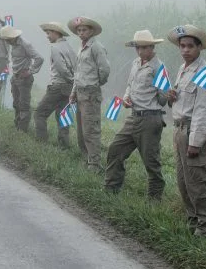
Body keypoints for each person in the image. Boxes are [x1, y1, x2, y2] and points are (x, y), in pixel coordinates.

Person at [169, 24, 206, 237]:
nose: (185, 50)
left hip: (192, 131)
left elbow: (205, 109)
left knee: (198, 182)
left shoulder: (204, 72)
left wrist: (196, 142)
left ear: (199, 47)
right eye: (182, 46)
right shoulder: (183, 70)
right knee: (184, 182)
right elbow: (182, 101)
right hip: (179, 129)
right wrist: (171, 98)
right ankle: (193, 222)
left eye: (190, 46)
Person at [103, 30, 170, 198]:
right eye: (138, 48)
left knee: (151, 162)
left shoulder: (158, 68)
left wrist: (167, 96)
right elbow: (130, 85)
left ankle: (154, 201)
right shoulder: (135, 63)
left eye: (145, 48)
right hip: (133, 116)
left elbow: (163, 98)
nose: (141, 52)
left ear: (152, 47)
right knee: (115, 150)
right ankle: (111, 190)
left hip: (150, 119)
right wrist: (127, 98)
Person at [69, 16, 112, 172]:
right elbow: (78, 72)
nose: (81, 33)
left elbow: (105, 69)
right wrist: (73, 92)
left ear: (92, 31)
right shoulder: (82, 47)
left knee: (90, 130)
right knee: (81, 129)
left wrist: (95, 83)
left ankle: (95, 164)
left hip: (90, 92)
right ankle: (86, 158)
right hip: (80, 91)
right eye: (79, 30)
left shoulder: (96, 47)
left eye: (84, 30)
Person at [33, 22, 76, 147]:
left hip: (57, 86)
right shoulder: (69, 47)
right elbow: (75, 66)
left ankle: (41, 143)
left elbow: (61, 68)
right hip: (68, 88)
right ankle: (64, 144)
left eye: (49, 33)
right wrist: (73, 82)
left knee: (39, 113)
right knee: (62, 114)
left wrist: (70, 79)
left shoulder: (55, 48)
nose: (47, 36)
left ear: (56, 33)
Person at [1, 24, 42, 131]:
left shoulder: (25, 44)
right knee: (16, 104)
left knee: (24, 105)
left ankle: (22, 130)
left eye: (7, 39)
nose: (6, 41)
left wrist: (30, 71)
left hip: (24, 79)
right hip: (15, 77)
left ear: (12, 37)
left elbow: (39, 58)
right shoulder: (13, 44)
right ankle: (17, 126)